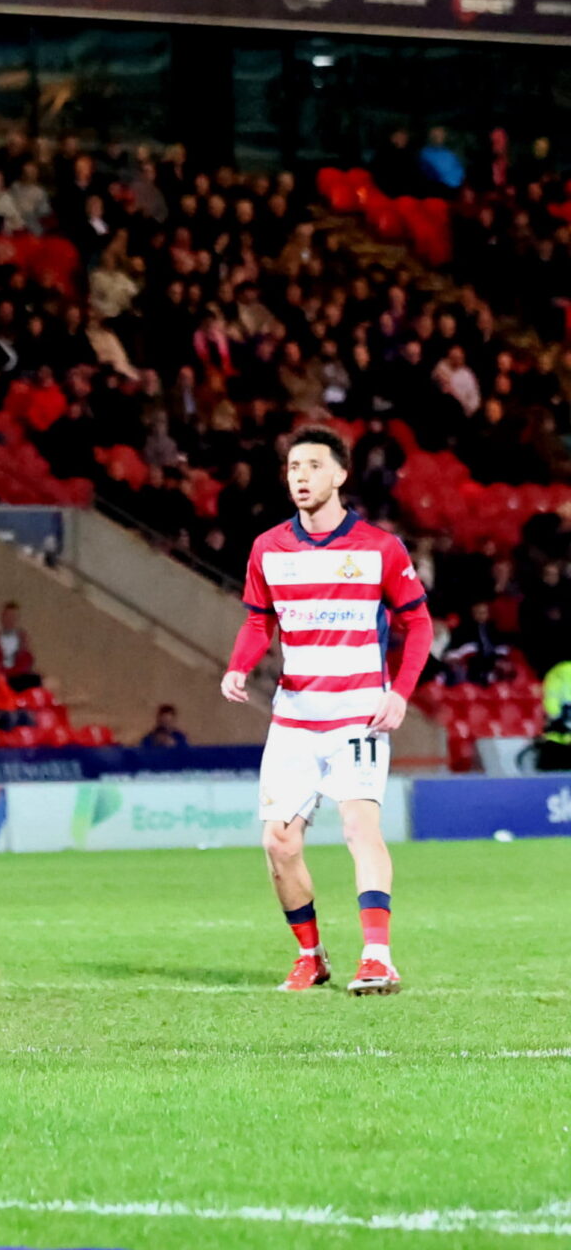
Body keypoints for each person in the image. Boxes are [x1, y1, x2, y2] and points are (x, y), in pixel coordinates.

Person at [221, 427, 428, 997]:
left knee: (360, 826)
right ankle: (311, 957)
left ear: (340, 474)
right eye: (293, 468)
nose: (301, 477)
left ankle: (378, 957)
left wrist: (399, 692)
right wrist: (239, 666)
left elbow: (418, 623)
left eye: (313, 466)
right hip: (293, 719)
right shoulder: (269, 548)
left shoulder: (380, 548)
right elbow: (259, 620)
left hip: (359, 715)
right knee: (278, 843)